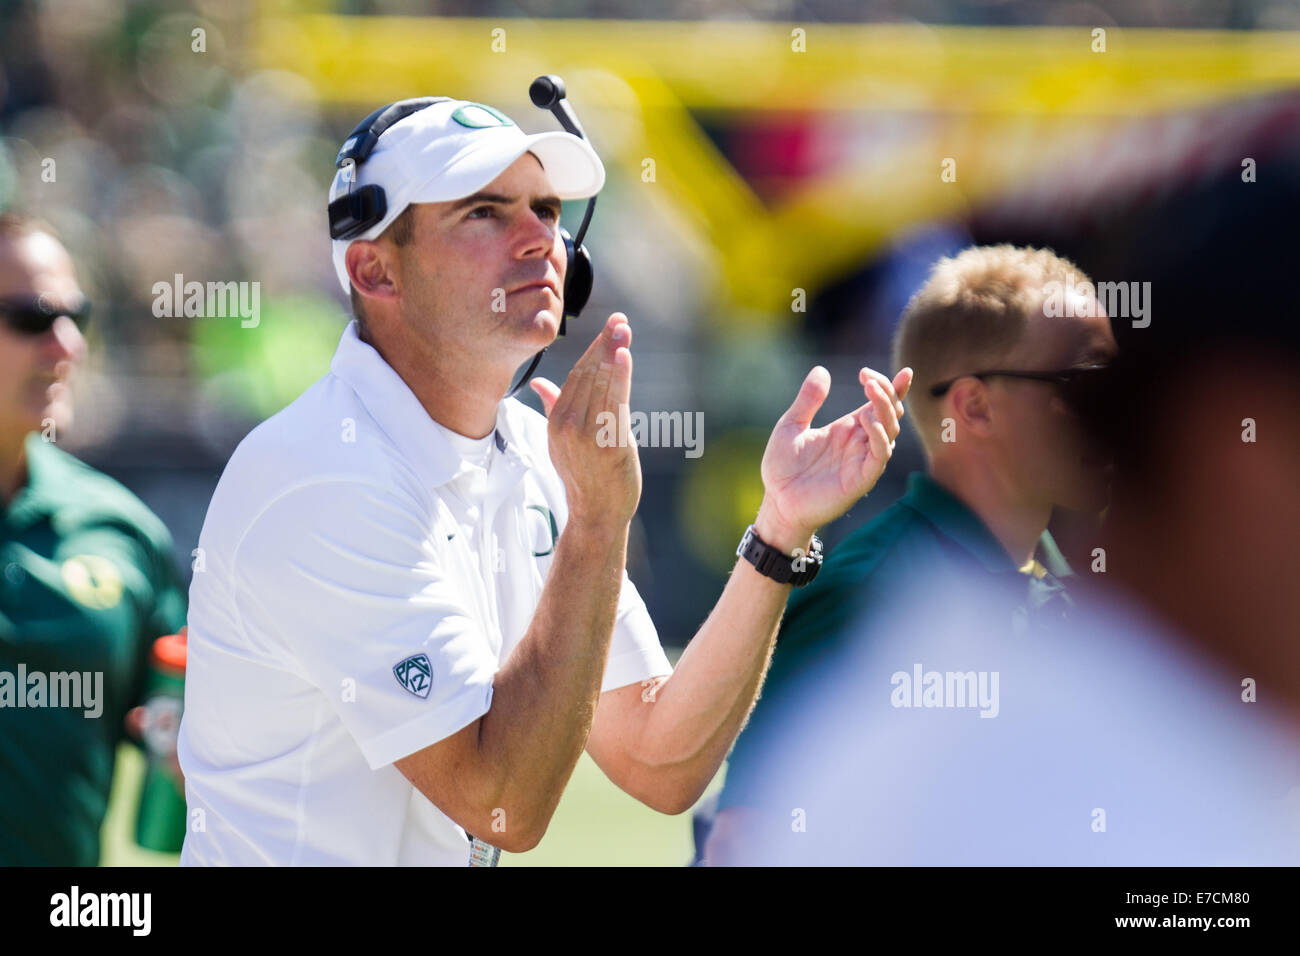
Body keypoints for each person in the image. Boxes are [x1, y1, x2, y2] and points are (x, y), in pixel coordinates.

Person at [177, 95, 912, 865]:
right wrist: (599, 521)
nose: (541, 240)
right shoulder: (322, 479)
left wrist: (779, 531)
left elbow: (660, 760)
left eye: (548, 209)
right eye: (484, 213)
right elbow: (503, 802)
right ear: (374, 270)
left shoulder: (533, 447)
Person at [704, 244, 1117, 864]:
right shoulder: (871, 591)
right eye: (1083, 384)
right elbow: (747, 842)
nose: (1116, 413)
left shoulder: (1092, 596)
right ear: (974, 406)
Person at [0, 213, 189, 865]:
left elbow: (183, 740)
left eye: (76, 317)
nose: (66, 346)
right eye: (30, 317)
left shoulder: (120, 532)